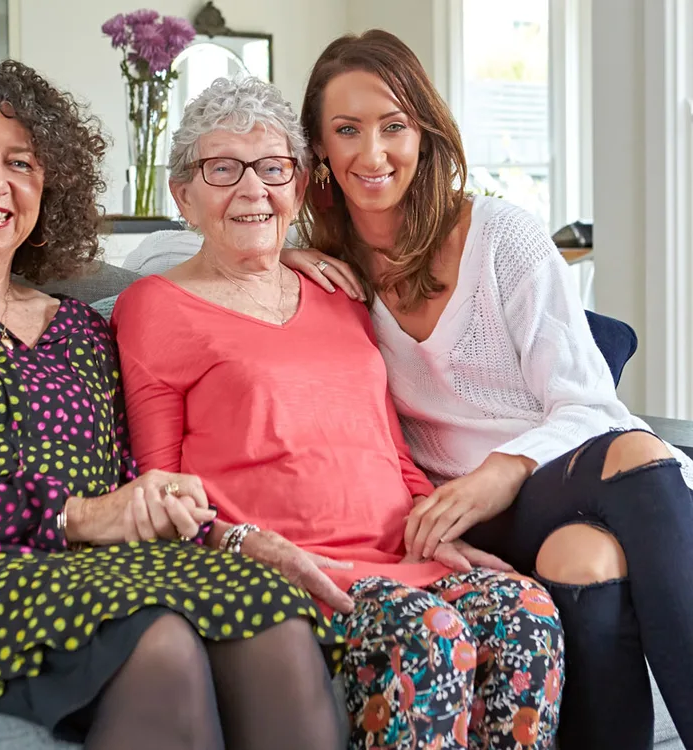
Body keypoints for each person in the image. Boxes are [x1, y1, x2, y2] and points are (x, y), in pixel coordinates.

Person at [0, 61, 348, 750]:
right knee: (161, 646)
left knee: (271, 612)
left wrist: (199, 522)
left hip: (83, 571)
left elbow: (130, 485)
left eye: (22, 164)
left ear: (48, 186)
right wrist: (76, 516)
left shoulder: (84, 330)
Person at [112, 76, 564, 750]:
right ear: (183, 194)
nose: (252, 189)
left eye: (273, 168)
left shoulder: (339, 292)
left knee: (527, 612)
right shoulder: (153, 305)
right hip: (286, 570)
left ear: (298, 187)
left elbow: (389, 443)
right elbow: (161, 489)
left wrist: (429, 521)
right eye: (222, 168)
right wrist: (237, 542)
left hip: (399, 555)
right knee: (430, 636)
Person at [279, 29, 693, 750]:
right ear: (318, 151)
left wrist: (503, 471)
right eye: (347, 130)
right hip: (451, 520)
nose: (373, 154)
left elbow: (590, 403)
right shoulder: (323, 276)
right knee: (626, 469)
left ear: (426, 133)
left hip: (551, 483)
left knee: (590, 550)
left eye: (394, 126)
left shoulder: (502, 236)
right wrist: (284, 253)